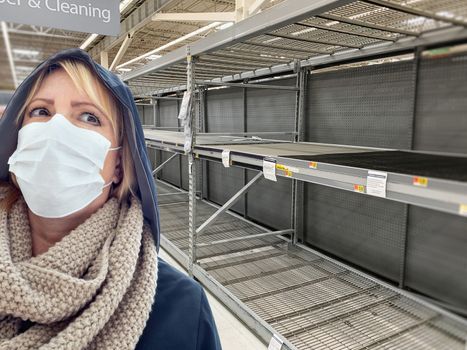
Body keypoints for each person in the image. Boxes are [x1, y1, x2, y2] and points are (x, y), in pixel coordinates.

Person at [0, 48, 222, 350]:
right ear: (15, 141)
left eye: (89, 117)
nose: (56, 130)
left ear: (118, 164)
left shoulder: (180, 308)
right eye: (41, 111)